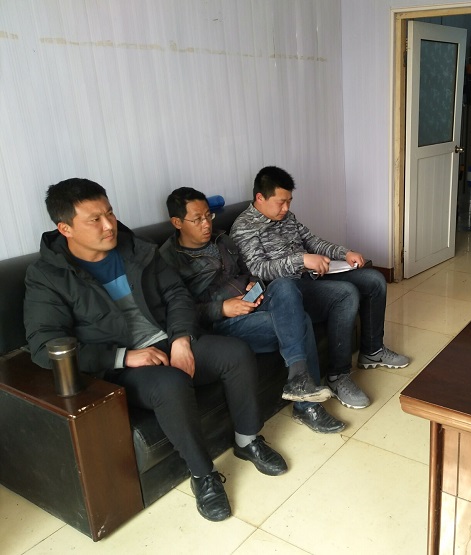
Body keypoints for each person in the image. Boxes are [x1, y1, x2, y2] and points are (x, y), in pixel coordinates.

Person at [23, 178, 288, 523]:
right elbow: (44, 345)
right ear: (65, 228)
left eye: (110, 213)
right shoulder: (48, 276)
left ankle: (247, 441)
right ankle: (203, 475)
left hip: (167, 339)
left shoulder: (136, 249)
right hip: (119, 364)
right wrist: (124, 357)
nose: (109, 225)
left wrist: (181, 340)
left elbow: (177, 294)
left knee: (235, 353)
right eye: (95, 220)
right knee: (170, 384)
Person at [160, 187, 344, 434]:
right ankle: (306, 405)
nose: (206, 224)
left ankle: (299, 379)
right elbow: (177, 310)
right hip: (221, 323)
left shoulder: (221, 239)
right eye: (197, 219)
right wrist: (221, 308)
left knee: (284, 285)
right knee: (300, 320)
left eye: (208, 216)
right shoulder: (168, 260)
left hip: (252, 301)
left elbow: (249, 270)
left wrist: (253, 284)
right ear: (177, 222)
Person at [230, 166, 410, 410]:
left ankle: (372, 350)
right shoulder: (244, 227)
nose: (286, 208)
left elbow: (312, 241)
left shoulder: (287, 218)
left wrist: (344, 253)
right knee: (346, 294)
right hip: (286, 293)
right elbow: (259, 269)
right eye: (281, 202)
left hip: (310, 278)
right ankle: (338, 376)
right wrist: (301, 260)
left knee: (374, 280)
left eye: (289, 201)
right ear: (260, 198)